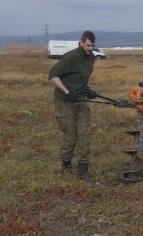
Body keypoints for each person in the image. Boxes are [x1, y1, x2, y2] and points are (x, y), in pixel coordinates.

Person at [48, 31, 98, 183]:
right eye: (88, 45)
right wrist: (67, 92)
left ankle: (83, 170)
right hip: (65, 101)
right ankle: (66, 166)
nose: (90, 48)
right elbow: (52, 75)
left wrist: (88, 89)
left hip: (81, 100)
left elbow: (84, 76)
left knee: (85, 134)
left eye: (92, 46)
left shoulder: (92, 58)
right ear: (81, 43)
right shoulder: (69, 58)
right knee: (70, 135)